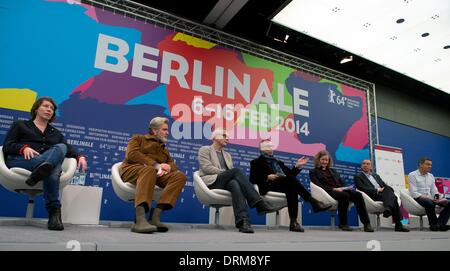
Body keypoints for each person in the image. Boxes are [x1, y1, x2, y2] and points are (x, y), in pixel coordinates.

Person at [3, 97, 88, 231]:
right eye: (46, 106)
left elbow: (67, 148)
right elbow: (7, 146)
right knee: (53, 168)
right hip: (21, 161)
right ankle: (54, 213)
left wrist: (80, 156)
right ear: (36, 109)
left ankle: (42, 170)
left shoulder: (55, 133)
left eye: (52, 109)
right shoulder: (20, 125)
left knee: (60, 149)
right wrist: (23, 148)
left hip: (44, 164)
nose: (49, 110)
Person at [198, 129, 277, 234]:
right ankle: (259, 203)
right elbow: (207, 168)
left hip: (225, 182)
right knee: (235, 171)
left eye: (228, 137)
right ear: (215, 137)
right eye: (224, 135)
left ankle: (243, 221)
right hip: (212, 182)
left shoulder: (227, 155)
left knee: (234, 183)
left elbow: (231, 175)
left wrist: (228, 173)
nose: (227, 138)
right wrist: (226, 173)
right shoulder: (204, 150)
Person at [119, 117, 186, 233]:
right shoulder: (138, 138)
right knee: (149, 170)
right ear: (155, 131)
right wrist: (156, 165)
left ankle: (155, 217)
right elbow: (132, 155)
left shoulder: (164, 149)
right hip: (131, 170)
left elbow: (172, 163)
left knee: (179, 177)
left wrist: (169, 167)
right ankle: (139, 220)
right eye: (164, 130)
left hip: (153, 174)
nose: (168, 133)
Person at [250, 139, 331, 232]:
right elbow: (252, 179)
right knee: (291, 183)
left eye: (271, 147)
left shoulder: (277, 162)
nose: (270, 150)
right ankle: (313, 202)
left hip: (281, 185)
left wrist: (297, 166)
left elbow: (290, 175)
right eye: (267, 148)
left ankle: (293, 222)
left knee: (292, 187)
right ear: (262, 149)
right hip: (268, 186)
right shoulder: (255, 162)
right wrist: (267, 177)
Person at [309, 150, 374, 232]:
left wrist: (346, 187)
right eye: (323, 159)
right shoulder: (313, 171)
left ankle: (366, 224)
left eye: (326, 160)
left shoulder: (333, 171)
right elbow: (318, 185)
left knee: (358, 195)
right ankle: (343, 223)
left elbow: (341, 181)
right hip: (328, 192)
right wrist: (334, 189)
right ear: (318, 160)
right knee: (344, 196)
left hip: (340, 190)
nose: (325, 162)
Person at [354, 159, 409, 232]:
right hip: (371, 196)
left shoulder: (376, 176)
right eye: (364, 163)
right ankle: (398, 224)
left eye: (368, 164)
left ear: (371, 167)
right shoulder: (358, 176)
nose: (365, 165)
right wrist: (377, 190)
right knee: (394, 198)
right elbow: (361, 188)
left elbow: (384, 185)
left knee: (389, 190)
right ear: (361, 166)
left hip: (383, 195)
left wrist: (387, 189)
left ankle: (388, 209)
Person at [408, 157, 450, 231]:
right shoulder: (412, 175)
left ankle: (440, 224)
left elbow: (434, 191)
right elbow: (414, 193)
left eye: (430, 165)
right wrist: (430, 198)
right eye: (427, 164)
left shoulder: (431, 176)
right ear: (420, 164)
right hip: (418, 198)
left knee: (448, 203)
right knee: (429, 203)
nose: (430, 166)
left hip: (430, 198)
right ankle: (433, 225)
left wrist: (438, 198)